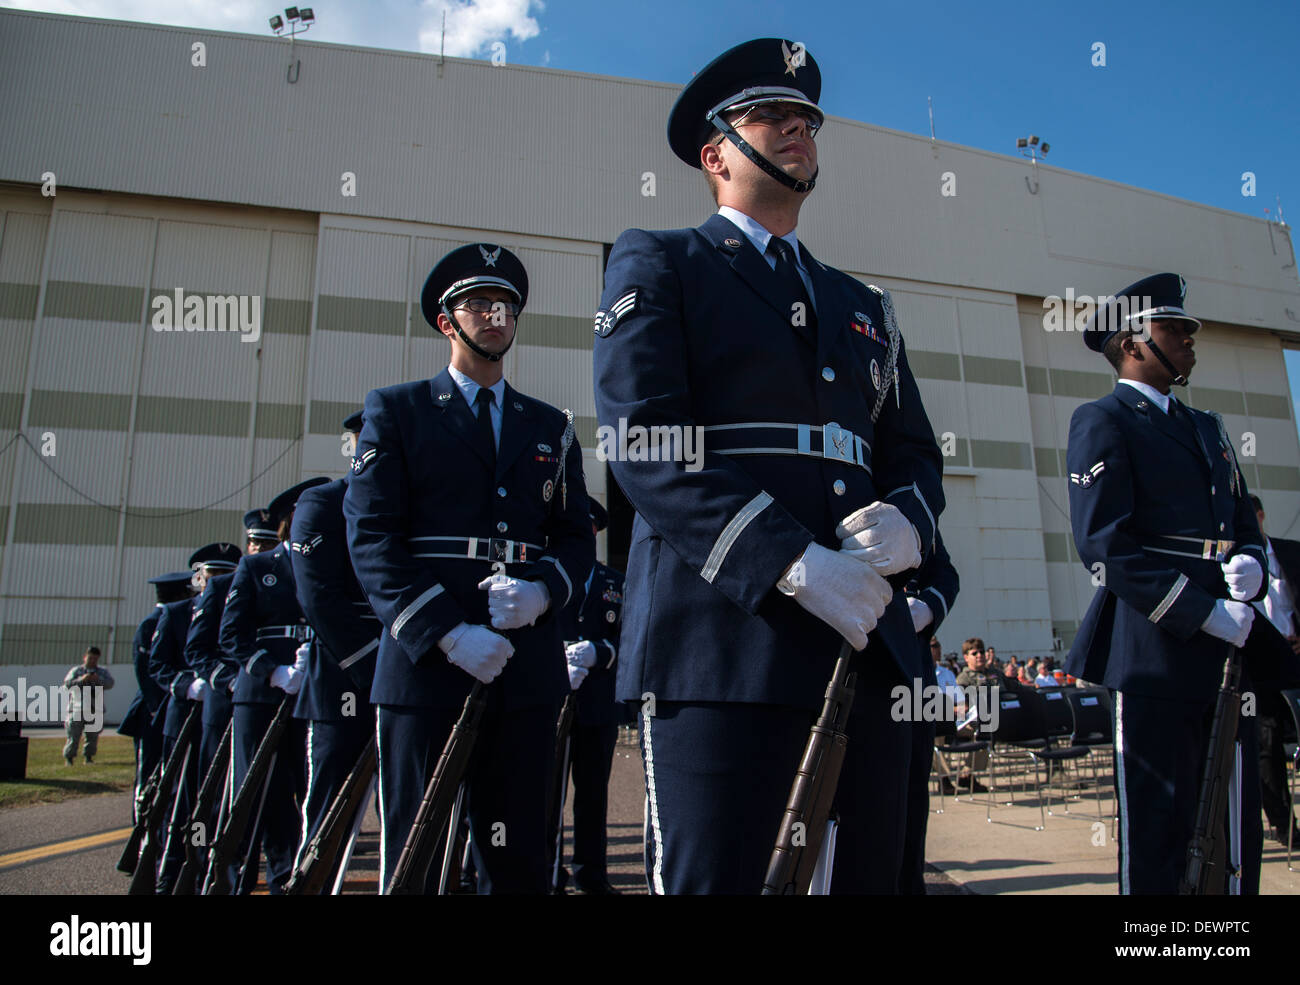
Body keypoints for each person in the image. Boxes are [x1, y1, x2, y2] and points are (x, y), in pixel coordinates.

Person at [593, 38, 944, 894]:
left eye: (808, 120)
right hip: (726, 637)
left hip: (868, 641)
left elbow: (915, 452)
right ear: (716, 155)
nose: (798, 131)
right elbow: (644, 437)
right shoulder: (661, 260)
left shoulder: (864, 306)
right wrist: (789, 561)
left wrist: (908, 517)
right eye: (772, 117)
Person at [345, 243, 594, 894]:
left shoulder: (551, 427)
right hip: (427, 665)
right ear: (445, 322)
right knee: (418, 855)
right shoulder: (396, 411)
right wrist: (448, 631)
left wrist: (542, 593)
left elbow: (574, 537)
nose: (495, 315)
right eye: (478, 304)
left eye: (505, 304)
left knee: (517, 863)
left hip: (526, 665)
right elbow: (371, 537)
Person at [1065, 272, 1269, 894]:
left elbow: (1239, 517)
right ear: (1132, 343)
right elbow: (1103, 545)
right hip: (1154, 646)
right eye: (1173, 328)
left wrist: (1254, 564)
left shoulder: (1207, 426)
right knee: (1160, 825)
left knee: (1233, 818)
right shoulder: (1103, 419)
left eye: (1187, 328)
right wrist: (1203, 611)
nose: (1188, 338)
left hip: (1227, 645)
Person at [218, 479, 327, 894]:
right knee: (250, 789)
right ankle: (229, 875)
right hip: (261, 694)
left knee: (292, 791)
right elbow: (232, 636)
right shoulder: (256, 566)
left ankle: (283, 877)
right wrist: (271, 671)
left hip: (307, 690)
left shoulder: (325, 566)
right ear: (289, 522)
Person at [289, 410, 382, 887]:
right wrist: (372, 665)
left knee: (409, 810)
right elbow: (318, 597)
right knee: (330, 808)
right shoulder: (322, 503)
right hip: (346, 678)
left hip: (405, 675)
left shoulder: (409, 506)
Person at [150, 542, 242, 893]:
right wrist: (188, 685)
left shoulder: (234, 608)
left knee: (215, 800)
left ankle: (208, 868)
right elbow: (158, 665)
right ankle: (169, 871)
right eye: (210, 574)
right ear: (196, 577)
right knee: (181, 802)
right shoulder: (176, 613)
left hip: (221, 715)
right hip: (187, 715)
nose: (214, 581)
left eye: (224, 575)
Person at [553, 499, 625, 894]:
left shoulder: (615, 582)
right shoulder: (548, 580)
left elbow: (630, 637)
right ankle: (549, 872)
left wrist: (602, 651)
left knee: (593, 794)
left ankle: (591, 874)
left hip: (597, 704)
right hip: (552, 701)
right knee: (549, 792)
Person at [900, 532, 959, 894]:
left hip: (911, 666)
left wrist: (925, 610)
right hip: (842, 656)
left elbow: (945, 574)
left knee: (910, 793)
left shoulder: (913, 496)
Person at [1248, 494, 1300, 844]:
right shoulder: (1232, 564)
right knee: (1267, 744)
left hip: (1295, 658)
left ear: (1262, 516)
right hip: (1260, 666)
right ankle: (1285, 825)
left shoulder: (1291, 554)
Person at [119, 572, 192, 816]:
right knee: (148, 773)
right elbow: (145, 668)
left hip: (170, 707)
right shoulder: (153, 621)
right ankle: (142, 832)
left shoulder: (175, 618)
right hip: (152, 710)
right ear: (181, 594)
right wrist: (154, 707)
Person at [62, 647, 114, 765]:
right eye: (90, 658)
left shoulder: (102, 672)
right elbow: (67, 685)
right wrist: (82, 680)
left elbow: (110, 683)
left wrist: (98, 680)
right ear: (85, 657)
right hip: (77, 708)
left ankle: (88, 757)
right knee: (73, 735)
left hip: (94, 708)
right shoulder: (76, 671)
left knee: (92, 736)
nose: (92, 661)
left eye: (95, 659)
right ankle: (69, 758)